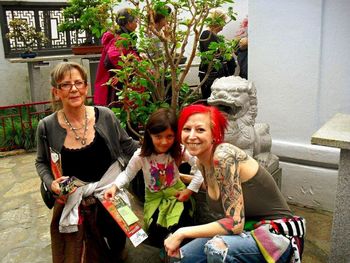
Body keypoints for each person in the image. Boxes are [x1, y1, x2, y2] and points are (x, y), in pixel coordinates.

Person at [164, 104, 306, 262]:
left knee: (217, 249)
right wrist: (179, 177)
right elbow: (213, 185)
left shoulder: (224, 157)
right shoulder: (202, 161)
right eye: (186, 129)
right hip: (246, 233)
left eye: (200, 130)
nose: (191, 136)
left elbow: (234, 223)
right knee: (181, 257)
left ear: (214, 134)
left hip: (277, 235)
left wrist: (182, 232)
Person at [35, 62, 139, 263]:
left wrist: (159, 146)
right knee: (80, 255)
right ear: (56, 92)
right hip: (74, 199)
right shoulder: (46, 126)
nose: (73, 89)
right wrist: (52, 184)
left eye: (78, 83)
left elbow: (128, 147)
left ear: (86, 88)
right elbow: (41, 162)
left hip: (109, 194)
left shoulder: (105, 116)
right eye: (65, 85)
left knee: (118, 247)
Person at [104, 108, 203, 249]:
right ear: (150, 134)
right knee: (156, 232)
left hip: (177, 195)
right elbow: (127, 174)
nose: (164, 142)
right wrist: (114, 186)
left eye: (169, 136)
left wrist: (189, 191)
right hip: (153, 199)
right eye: (158, 136)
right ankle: (165, 252)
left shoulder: (180, 151)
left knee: (181, 226)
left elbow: (202, 168)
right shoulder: (141, 156)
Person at [94, 7, 140, 106]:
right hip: (117, 85)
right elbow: (114, 56)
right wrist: (134, 64)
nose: (137, 24)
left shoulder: (123, 36)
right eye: (136, 21)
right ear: (129, 23)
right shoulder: (121, 38)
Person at [198, 9, 236, 100]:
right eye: (223, 21)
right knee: (213, 102)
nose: (224, 24)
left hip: (217, 76)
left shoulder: (215, 36)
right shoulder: (207, 35)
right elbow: (213, 57)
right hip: (212, 77)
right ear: (217, 21)